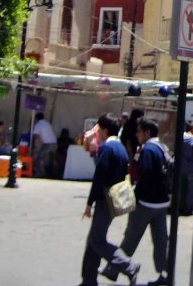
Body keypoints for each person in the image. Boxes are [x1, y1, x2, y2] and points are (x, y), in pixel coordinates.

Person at [79, 113, 140, 286]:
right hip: (114, 198)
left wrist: (89, 203)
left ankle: (128, 265)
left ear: (105, 130)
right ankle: (88, 279)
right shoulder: (119, 147)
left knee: (97, 240)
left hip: (105, 200)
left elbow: (99, 177)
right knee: (94, 239)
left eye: (98, 129)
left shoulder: (108, 148)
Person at [119, 118, 170, 286]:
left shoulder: (147, 149)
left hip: (146, 202)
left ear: (147, 133)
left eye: (139, 131)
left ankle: (116, 267)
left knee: (131, 237)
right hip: (162, 203)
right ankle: (165, 274)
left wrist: (136, 195)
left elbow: (145, 175)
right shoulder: (163, 147)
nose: (136, 134)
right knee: (161, 241)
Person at [178, 121, 193, 217]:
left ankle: (176, 206)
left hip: (180, 166)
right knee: (191, 190)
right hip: (192, 168)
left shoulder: (180, 136)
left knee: (178, 188)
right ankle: (188, 209)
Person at [31, 113, 57, 178]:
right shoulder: (47, 123)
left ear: (36, 119)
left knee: (39, 158)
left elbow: (36, 136)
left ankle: (41, 173)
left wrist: (35, 146)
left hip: (48, 144)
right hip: (54, 143)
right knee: (51, 158)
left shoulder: (38, 125)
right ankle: (54, 173)